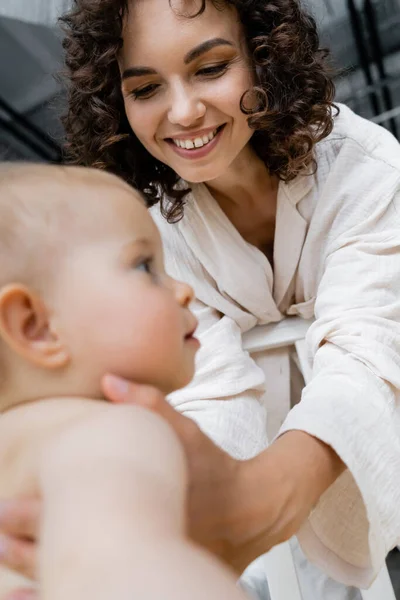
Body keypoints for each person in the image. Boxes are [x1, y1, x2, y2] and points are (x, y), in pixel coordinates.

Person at [1, 0, 400, 598]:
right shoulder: (156, 229)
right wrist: (166, 505)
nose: (183, 112)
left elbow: (368, 353)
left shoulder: (360, 167)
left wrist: (258, 497)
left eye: (211, 68)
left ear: (265, 59)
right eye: (145, 87)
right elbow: (215, 390)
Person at [0, 162, 249, 600]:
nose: (183, 290)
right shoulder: (110, 431)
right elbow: (130, 568)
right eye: (144, 266)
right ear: (37, 327)